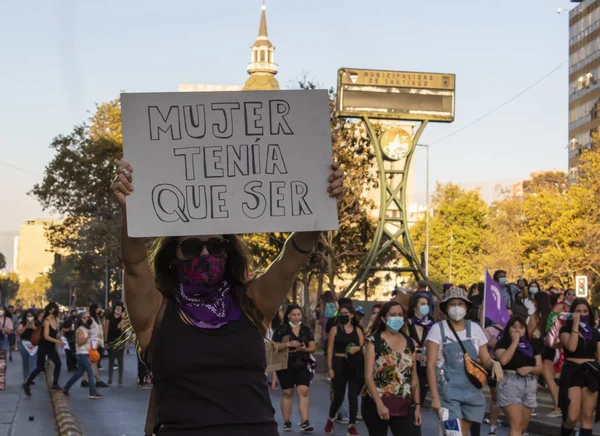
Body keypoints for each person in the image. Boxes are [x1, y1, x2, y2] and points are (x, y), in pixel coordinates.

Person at [111, 158, 344, 436]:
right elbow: (135, 264)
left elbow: (290, 260)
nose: (206, 255)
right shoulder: (156, 312)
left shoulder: (251, 303)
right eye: (193, 247)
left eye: (216, 246)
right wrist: (131, 210)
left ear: (228, 252)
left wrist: (321, 199)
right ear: (173, 256)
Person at [426, 287, 503, 436]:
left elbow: (485, 359)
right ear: (446, 307)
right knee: (453, 434)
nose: (456, 307)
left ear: (466, 307)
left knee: (462, 434)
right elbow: (430, 365)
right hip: (447, 393)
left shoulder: (475, 329)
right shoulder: (437, 330)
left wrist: (495, 364)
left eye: (460, 303)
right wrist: (435, 398)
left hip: (472, 393)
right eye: (452, 304)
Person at [362, 300, 422, 435]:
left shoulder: (410, 343)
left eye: (400, 315)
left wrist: (417, 406)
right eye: (393, 314)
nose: (397, 318)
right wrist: (379, 404)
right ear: (384, 318)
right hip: (375, 402)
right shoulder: (373, 341)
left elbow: (414, 378)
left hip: (402, 403)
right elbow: (368, 376)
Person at [494, 315, 542, 436]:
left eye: (521, 327)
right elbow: (503, 360)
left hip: (529, 383)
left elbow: (540, 368)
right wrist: (515, 342)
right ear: (508, 329)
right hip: (510, 382)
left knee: (522, 427)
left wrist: (530, 368)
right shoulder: (502, 344)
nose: (517, 330)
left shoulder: (532, 346)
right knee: (516, 425)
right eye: (514, 327)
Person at [558, 298, 600, 436]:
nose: (582, 314)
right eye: (578, 311)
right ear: (572, 313)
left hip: (590, 372)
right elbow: (571, 347)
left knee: (587, 415)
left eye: (584, 311)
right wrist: (575, 325)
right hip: (572, 371)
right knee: (571, 416)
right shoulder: (565, 330)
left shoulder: (594, 333)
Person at [272, 304, 316, 433]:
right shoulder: (281, 329)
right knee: (288, 392)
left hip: (303, 363)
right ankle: (287, 421)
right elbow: (274, 346)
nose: (296, 317)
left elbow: (312, 347)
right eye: (294, 315)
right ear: (288, 316)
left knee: (303, 391)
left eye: (299, 314)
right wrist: (288, 344)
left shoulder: (306, 329)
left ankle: (304, 422)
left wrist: (305, 349)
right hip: (285, 364)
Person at [325, 305, 364, 436]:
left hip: (354, 364)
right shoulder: (334, 330)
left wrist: (357, 349)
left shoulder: (358, 330)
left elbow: (363, 347)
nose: (343, 315)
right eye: (341, 313)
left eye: (346, 313)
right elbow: (329, 349)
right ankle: (330, 418)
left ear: (352, 315)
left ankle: (351, 425)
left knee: (353, 396)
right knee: (339, 396)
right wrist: (330, 367)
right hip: (338, 363)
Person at [22, 302, 64, 395]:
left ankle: (55, 384)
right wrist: (58, 342)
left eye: (56, 308)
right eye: (54, 308)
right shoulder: (46, 321)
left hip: (51, 346)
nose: (56, 310)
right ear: (49, 310)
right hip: (44, 346)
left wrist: (59, 337)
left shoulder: (56, 319)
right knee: (40, 367)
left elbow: (55, 333)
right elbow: (46, 336)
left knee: (58, 363)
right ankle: (27, 384)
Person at [62, 311, 103, 399]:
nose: (89, 319)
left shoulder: (88, 329)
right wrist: (88, 336)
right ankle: (92, 392)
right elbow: (80, 342)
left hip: (86, 353)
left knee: (79, 373)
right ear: (82, 319)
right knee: (91, 373)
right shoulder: (80, 329)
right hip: (82, 354)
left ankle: (66, 388)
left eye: (89, 317)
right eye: (87, 317)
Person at [405, 294, 433, 407]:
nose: (425, 307)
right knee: (409, 398)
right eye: (422, 304)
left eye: (427, 304)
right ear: (414, 307)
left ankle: (416, 418)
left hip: (425, 366)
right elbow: (404, 344)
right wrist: (415, 354)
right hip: (410, 365)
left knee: (420, 398)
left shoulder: (431, 325)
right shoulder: (408, 323)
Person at [82, 304, 108, 388]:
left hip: (99, 342)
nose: (100, 309)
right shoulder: (91, 319)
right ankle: (98, 381)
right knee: (94, 363)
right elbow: (89, 330)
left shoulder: (98, 319)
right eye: (99, 308)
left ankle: (84, 380)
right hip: (94, 343)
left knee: (91, 363)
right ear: (95, 309)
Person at [104, 301, 127, 386]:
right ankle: (110, 379)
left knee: (120, 360)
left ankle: (120, 380)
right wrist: (105, 341)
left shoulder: (123, 318)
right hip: (111, 340)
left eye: (120, 308)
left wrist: (123, 319)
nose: (118, 309)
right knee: (111, 360)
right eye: (117, 307)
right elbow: (106, 329)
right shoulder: (109, 317)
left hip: (120, 341)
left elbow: (123, 329)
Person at [16, 310, 39, 382]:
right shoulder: (22, 323)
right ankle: (26, 378)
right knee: (25, 362)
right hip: (24, 344)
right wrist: (26, 327)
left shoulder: (37, 323)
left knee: (33, 363)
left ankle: (31, 377)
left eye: (31, 315)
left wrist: (33, 327)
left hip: (34, 344)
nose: (29, 317)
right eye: (28, 316)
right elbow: (18, 332)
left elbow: (41, 333)